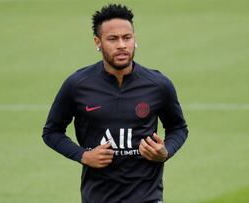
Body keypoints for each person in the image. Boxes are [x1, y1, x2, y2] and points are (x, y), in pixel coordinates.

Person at [42, 4, 188, 203]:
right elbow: (51, 132)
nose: (121, 45)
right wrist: (83, 155)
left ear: (135, 40)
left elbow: (178, 128)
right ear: (98, 42)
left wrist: (166, 151)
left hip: (147, 197)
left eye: (127, 37)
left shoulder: (158, 85)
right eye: (113, 39)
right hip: (98, 198)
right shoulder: (77, 85)